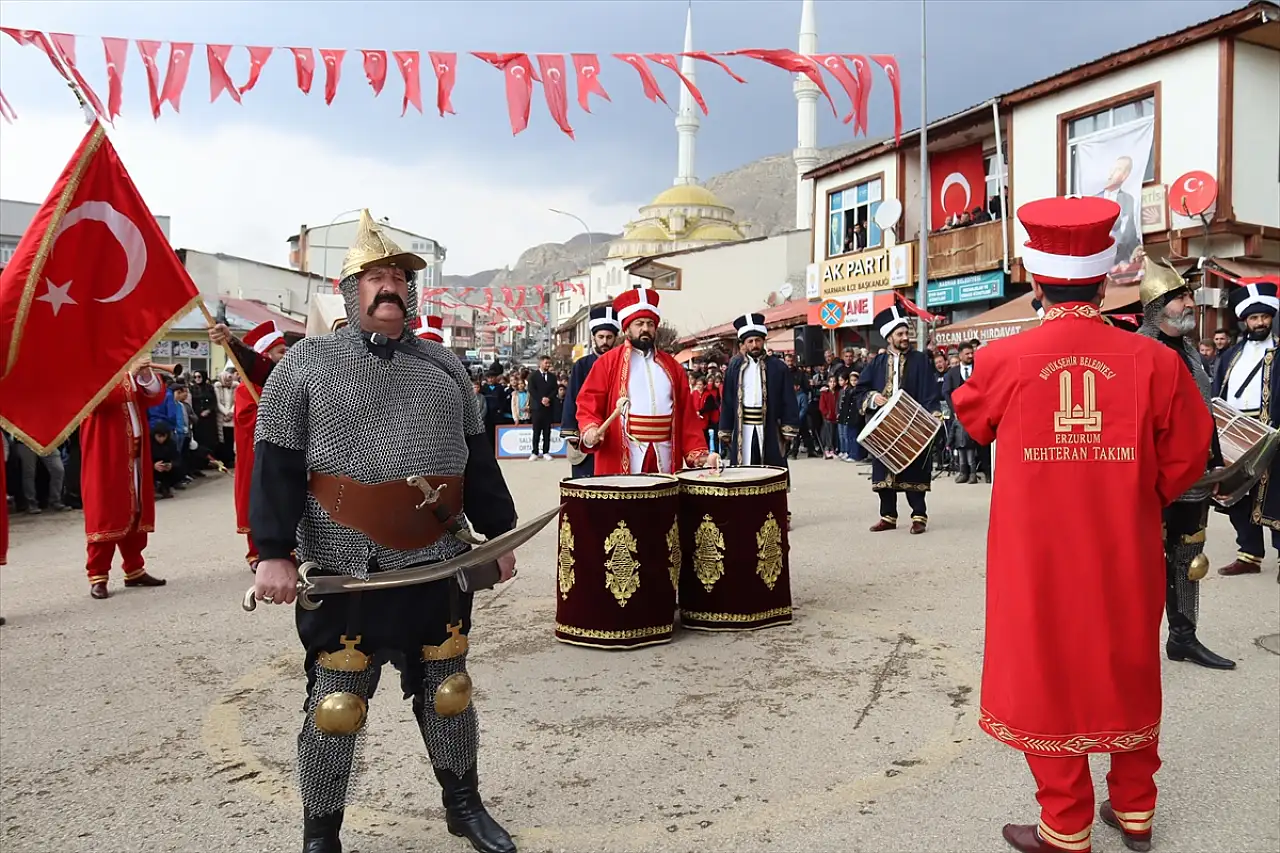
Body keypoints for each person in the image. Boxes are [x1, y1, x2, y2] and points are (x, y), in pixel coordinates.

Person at [249, 210, 520, 853]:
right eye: (374, 276)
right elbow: (277, 464)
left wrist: (501, 537)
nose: (388, 285)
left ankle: (463, 806)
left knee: (449, 690)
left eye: (398, 274)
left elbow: (477, 459)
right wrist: (272, 553)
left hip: (436, 556)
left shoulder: (445, 367)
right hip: (351, 562)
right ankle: (322, 834)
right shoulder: (306, 364)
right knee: (337, 706)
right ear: (351, 290)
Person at [952, 196, 1213, 853]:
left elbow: (970, 418)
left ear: (1035, 281)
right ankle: (1134, 809)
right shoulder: (1154, 362)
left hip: (1035, 555)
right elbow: (1189, 451)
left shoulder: (1003, 361)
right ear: (1104, 281)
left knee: (1047, 670)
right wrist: (1135, 493)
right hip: (1122, 548)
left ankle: (1065, 821)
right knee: (1127, 664)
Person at [1135, 257, 1235, 669]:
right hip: (1155, 479)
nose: (1191, 302)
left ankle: (1183, 637)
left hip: (1193, 476)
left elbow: (1203, 415)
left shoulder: (1192, 351)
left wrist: (1216, 466)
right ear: (1157, 306)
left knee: (1188, 560)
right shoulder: (1139, 351)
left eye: (1190, 294)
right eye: (1180, 297)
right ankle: (1133, 647)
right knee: (1141, 565)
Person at [576, 288, 718, 474]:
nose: (645, 329)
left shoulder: (672, 367)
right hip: (624, 451)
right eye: (639, 323)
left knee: (662, 500)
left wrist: (699, 455)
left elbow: (687, 416)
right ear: (627, 328)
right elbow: (588, 402)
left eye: (650, 324)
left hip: (665, 452)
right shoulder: (607, 362)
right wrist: (590, 429)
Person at [80, 359, 170, 600]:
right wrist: (129, 375)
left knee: (136, 509)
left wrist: (146, 375)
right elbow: (100, 401)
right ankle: (98, 575)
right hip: (107, 455)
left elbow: (154, 397)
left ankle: (134, 568)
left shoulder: (126, 374)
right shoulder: (93, 371)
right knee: (106, 512)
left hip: (137, 454)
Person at [1211, 278, 1280, 579]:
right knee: (1239, 495)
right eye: (1254, 317)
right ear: (1245, 321)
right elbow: (1217, 392)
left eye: (1265, 316)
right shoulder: (1230, 355)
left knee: (1276, 497)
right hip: (1236, 434)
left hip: (1273, 432)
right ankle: (1249, 554)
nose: (1260, 322)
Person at [853, 306, 942, 534]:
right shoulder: (876, 364)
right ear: (889, 337)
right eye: (900, 334)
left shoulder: (921, 360)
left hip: (913, 424)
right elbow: (860, 391)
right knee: (884, 473)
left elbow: (930, 392)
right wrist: (873, 397)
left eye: (906, 333)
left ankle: (919, 516)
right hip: (884, 427)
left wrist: (932, 415)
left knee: (914, 470)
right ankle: (888, 516)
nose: (905, 337)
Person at [232, 320, 289, 570]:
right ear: (266, 355)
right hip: (257, 454)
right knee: (257, 499)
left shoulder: (288, 380)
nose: (286, 354)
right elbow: (245, 419)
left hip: (285, 451)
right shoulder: (247, 388)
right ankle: (256, 552)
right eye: (281, 351)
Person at [718, 313, 800, 468]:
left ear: (763, 341)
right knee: (744, 468)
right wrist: (725, 429)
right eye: (750, 341)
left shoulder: (778, 367)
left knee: (771, 466)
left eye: (758, 340)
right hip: (743, 426)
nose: (754, 344)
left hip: (769, 426)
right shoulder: (734, 369)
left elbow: (788, 398)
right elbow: (727, 400)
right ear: (744, 343)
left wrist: (789, 426)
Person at [560, 305, 620, 478]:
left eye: (609, 337)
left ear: (615, 338)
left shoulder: (623, 365)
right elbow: (572, 398)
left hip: (614, 431)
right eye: (600, 337)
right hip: (587, 430)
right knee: (587, 479)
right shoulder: (582, 365)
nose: (605, 341)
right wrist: (572, 432)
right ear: (594, 337)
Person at [942, 343, 981, 483]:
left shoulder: (979, 369)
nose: (971, 356)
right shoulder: (952, 373)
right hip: (959, 415)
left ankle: (977, 472)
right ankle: (963, 472)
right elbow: (946, 392)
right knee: (961, 444)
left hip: (977, 414)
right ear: (960, 355)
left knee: (975, 445)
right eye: (967, 354)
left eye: (972, 353)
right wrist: (954, 410)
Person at [11, 440, 68, 513]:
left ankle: (55, 500)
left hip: (45, 440)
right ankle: (31, 503)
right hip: (25, 441)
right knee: (29, 473)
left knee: (58, 469)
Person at [527, 355, 556, 460]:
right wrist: (541, 399)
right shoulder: (533, 376)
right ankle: (534, 452)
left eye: (549, 363)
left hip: (548, 407)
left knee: (547, 431)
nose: (548, 365)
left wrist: (548, 398)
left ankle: (546, 452)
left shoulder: (552, 377)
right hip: (537, 407)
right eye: (546, 363)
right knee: (536, 431)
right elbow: (531, 389)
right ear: (540, 363)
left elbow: (555, 390)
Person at [150, 422, 181, 499]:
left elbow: (177, 458)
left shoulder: (171, 443)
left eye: (164, 436)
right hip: (152, 467)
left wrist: (171, 464)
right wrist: (153, 466)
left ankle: (165, 487)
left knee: (178, 469)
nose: (161, 439)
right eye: (159, 436)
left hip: (166, 468)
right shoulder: (149, 443)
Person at [215, 371, 237, 468]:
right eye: (227, 381)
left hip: (232, 416)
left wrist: (231, 412)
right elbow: (218, 402)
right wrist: (226, 413)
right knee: (224, 439)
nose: (229, 383)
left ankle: (232, 459)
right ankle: (225, 459)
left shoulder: (236, 386)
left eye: (230, 380)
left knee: (232, 438)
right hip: (222, 417)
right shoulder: (218, 387)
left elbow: (236, 401)